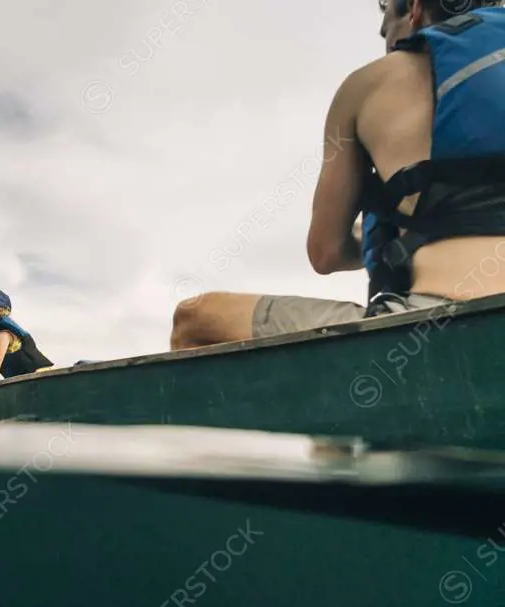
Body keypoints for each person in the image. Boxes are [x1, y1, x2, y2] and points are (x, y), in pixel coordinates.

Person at [170, 0, 505, 350]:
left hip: (434, 327)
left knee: (194, 318)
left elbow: (326, 252)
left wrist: (388, 243)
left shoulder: (368, 84)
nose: (383, 35)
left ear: (415, 10)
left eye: (386, 19)